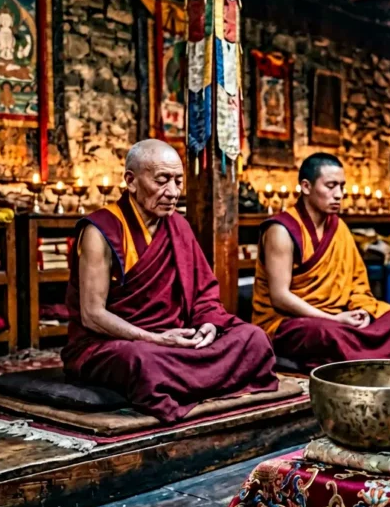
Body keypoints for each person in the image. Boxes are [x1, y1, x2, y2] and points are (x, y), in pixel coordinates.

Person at [61, 139, 278, 423]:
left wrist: (208, 325)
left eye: (178, 181)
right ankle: (199, 378)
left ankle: (186, 378)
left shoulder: (179, 226)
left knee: (254, 338)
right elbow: (92, 315)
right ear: (131, 180)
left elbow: (204, 295)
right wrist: (155, 339)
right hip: (116, 343)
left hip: (177, 338)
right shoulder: (101, 231)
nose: (173, 192)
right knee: (143, 362)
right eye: (162, 181)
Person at [252, 153, 390, 371]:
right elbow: (280, 298)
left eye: (342, 186)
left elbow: (356, 283)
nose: (339, 194)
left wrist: (362, 311)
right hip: (290, 321)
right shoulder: (281, 230)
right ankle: (369, 358)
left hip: (340, 316)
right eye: (331, 186)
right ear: (305, 187)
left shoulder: (338, 227)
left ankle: (360, 359)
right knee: (327, 335)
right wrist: (335, 318)